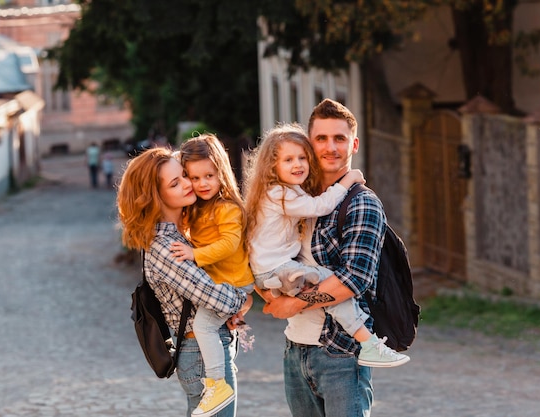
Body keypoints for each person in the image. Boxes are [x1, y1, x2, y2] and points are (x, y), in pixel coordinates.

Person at [258, 99, 395, 417]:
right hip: (295, 348)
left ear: (354, 144)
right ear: (309, 143)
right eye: (321, 138)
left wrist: (293, 303)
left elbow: (355, 279)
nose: (330, 147)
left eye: (340, 138)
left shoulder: (362, 204)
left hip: (340, 355)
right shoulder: (294, 196)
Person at [245, 122, 409, 369]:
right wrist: (349, 179)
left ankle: (366, 342)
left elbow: (354, 277)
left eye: (302, 157)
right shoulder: (281, 194)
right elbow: (321, 206)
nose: (297, 164)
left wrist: (279, 298)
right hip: (277, 272)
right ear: (272, 166)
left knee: (333, 285)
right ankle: (368, 343)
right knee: (331, 284)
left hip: (273, 275)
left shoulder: (277, 193)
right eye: (288, 160)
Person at [117, 147, 250, 417]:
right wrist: (245, 297)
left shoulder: (182, 236)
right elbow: (216, 298)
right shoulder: (166, 246)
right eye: (175, 183)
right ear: (156, 197)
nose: (189, 184)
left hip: (203, 351)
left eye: (184, 176)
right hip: (199, 355)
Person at [170, 134, 255, 417]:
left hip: (235, 284)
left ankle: (216, 383)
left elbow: (229, 244)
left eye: (209, 175)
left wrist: (195, 254)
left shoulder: (227, 207)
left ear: (222, 171)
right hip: (221, 285)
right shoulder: (198, 208)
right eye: (194, 178)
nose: (203, 183)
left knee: (204, 326)